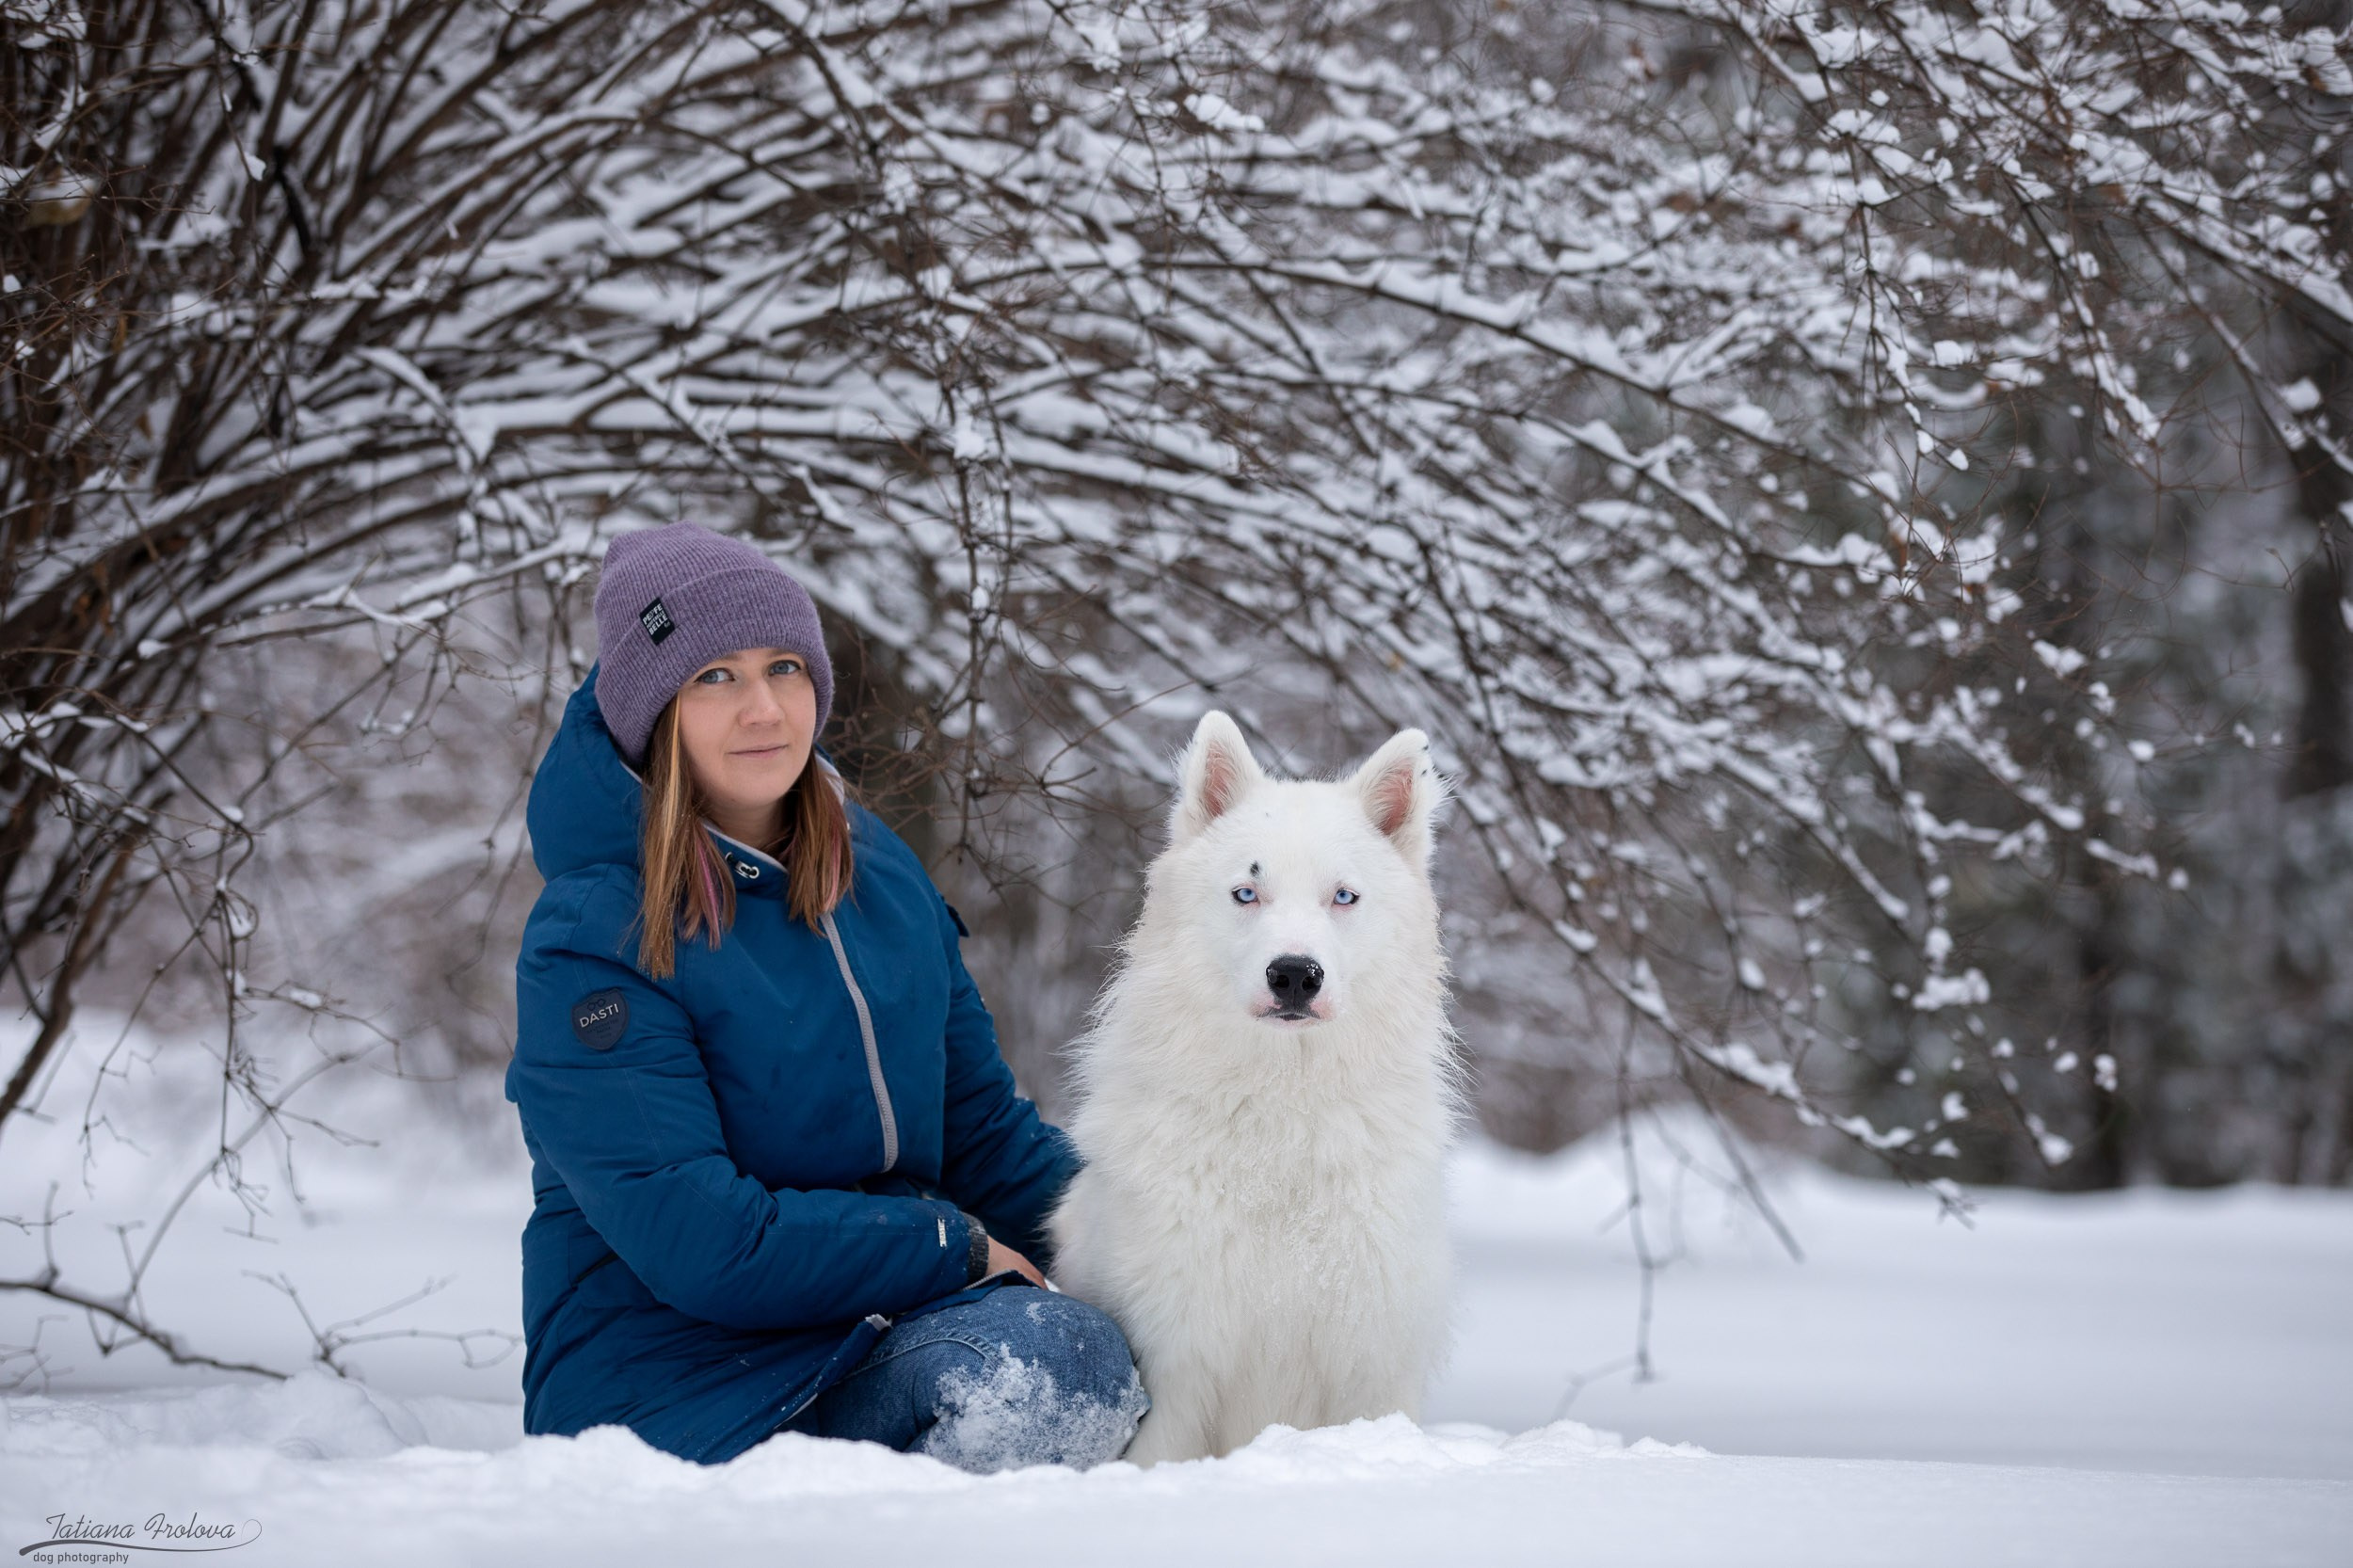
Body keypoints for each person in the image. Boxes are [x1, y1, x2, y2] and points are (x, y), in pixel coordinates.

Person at [504, 521, 1148, 1469]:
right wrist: (948, 1247)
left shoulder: (877, 876)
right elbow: (697, 1235)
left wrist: (1156, 1237)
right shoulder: (594, 935)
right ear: (654, 712)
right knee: (1046, 1367)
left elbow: (981, 1136)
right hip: (678, 1383)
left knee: (1133, 1349)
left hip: (878, 1329)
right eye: (713, 677)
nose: (763, 708)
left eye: (784, 668)